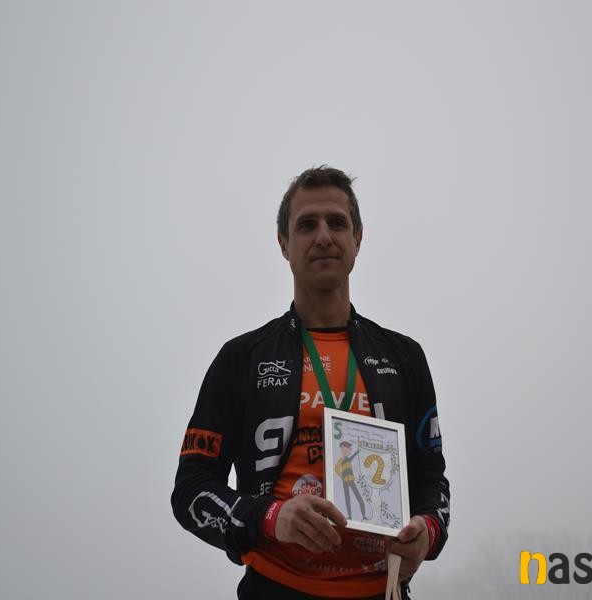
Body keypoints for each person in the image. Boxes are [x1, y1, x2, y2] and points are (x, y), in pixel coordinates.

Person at [171, 166, 450, 599]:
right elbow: (191, 490)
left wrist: (428, 530)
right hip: (275, 587)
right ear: (283, 244)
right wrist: (269, 517)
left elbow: (432, 480)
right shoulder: (242, 358)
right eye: (306, 225)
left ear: (358, 238)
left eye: (337, 222)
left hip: (384, 590)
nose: (323, 236)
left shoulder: (405, 357)